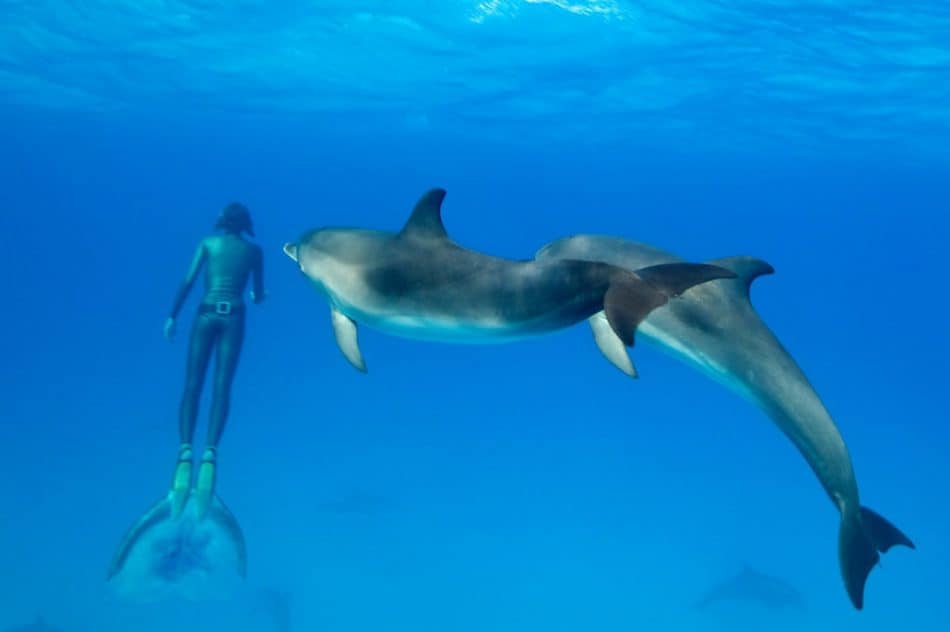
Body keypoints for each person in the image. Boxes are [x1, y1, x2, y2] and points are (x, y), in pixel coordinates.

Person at [164, 202, 265, 518]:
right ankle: (210, 455)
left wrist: (172, 316)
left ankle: (184, 453)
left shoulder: (208, 244)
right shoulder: (254, 252)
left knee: (192, 385)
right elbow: (258, 294)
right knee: (222, 388)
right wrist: (256, 297)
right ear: (245, 224)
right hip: (233, 317)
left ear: (222, 222)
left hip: (205, 314)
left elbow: (188, 281)